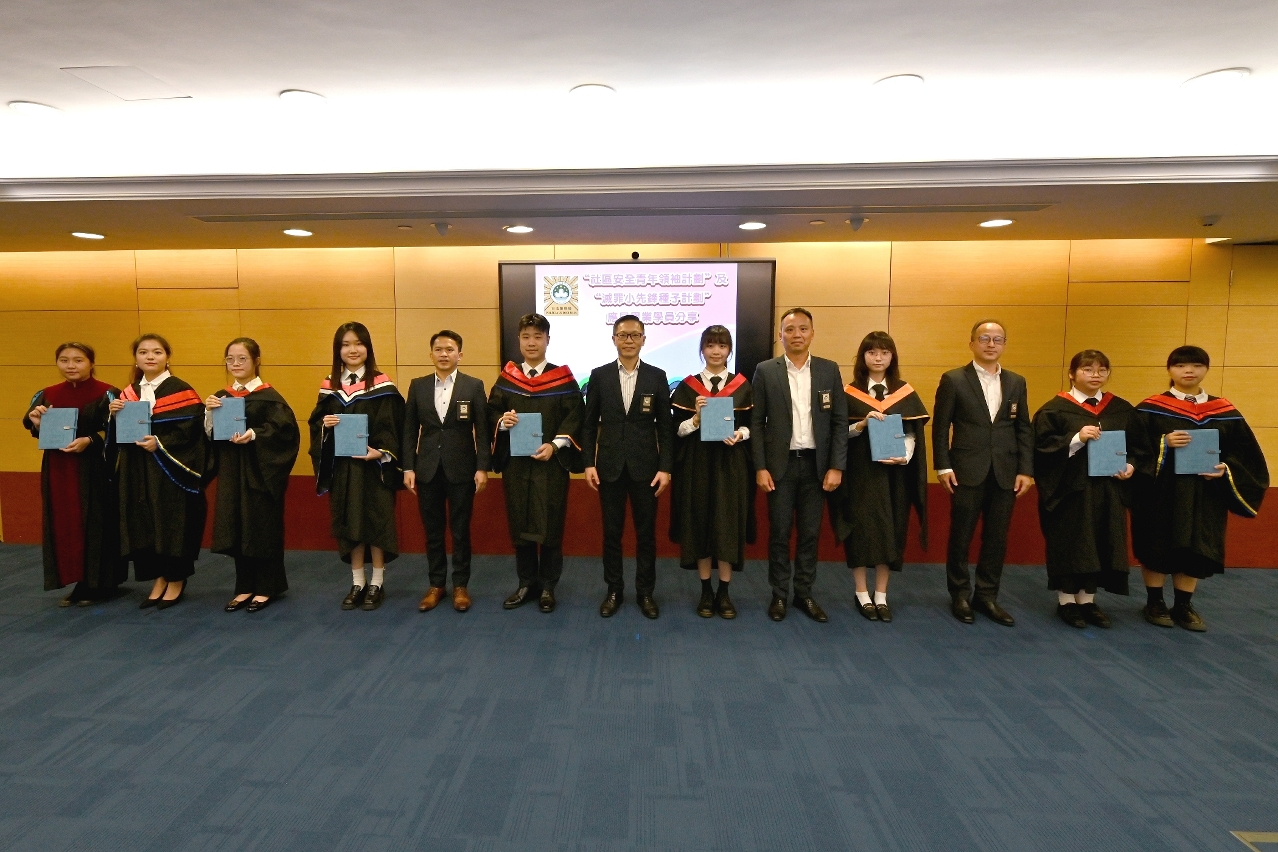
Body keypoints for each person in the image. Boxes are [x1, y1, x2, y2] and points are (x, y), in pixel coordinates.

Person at [1128, 346, 1268, 632]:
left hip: (1206, 492)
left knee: (1195, 546)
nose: (1188, 370)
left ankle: (1183, 604)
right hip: (1162, 491)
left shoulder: (1225, 411)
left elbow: (1245, 454)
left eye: (1196, 365)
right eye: (1180, 366)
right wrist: (1164, 443)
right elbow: (1132, 449)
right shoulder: (1150, 409)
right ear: (1169, 370)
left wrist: (1225, 468)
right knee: (1157, 542)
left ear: (1206, 369)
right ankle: (1154, 601)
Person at [932, 320, 1034, 626]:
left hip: (1005, 471)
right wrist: (943, 465)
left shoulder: (1016, 382)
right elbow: (940, 427)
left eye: (997, 339)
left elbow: (1023, 428)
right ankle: (960, 594)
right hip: (965, 470)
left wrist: (1025, 470)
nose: (991, 344)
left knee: (997, 537)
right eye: (984, 338)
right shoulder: (954, 379)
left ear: (1004, 344)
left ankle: (987, 595)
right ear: (972, 343)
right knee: (961, 535)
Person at [751, 307, 848, 623]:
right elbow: (756, 421)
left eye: (803, 329)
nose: (796, 335)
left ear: (812, 333)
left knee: (810, 534)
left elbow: (839, 420)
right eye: (790, 329)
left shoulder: (828, 370)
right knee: (779, 533)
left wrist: (837, 466)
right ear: (780, 335)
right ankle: (779, 594)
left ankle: (804, 593)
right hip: (780, 467)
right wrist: (760, 467)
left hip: (816, 466)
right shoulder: (766, 371)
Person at [487, 313, 585, 614]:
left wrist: (555, 445)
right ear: (519, 340)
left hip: (550, 464)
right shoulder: (507, 379)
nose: (532, 342)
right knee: (521, 523)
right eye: (526, 337)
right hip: (517, 464)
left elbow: (575, 418)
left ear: (547, 340)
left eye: (538, 337)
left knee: (550, 525)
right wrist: (502, 421)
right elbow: (491, 412)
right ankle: (526, 583)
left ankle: (548, 587)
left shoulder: (563, 379)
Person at [1031, 350, 1134, 629]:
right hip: (1069, 492)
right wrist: (1076, 438)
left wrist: (1131, 466)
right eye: (1088, 369)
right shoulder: (1054, 410)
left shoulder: (1121, 409)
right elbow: (1040, 450)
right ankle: (1066, 601)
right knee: (1071, 543)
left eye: (1102, 370)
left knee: (1100, 542)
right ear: (1072, 374)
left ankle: (1088, 601)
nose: (1095, 375)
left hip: (1108, 490)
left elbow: (1139, 447)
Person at [108, 334, 211, 609]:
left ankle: (176, 578)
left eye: (156, 352)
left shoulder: (181, 391)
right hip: (137, 469)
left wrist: (160, 443)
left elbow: (192, 434)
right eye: (143, 352)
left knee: (172, 523)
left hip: (169, 471)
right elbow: (119, 436)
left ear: (167, 357)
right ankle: (159, 577)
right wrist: (114, 415)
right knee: (144, 523)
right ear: (136, 358)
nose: (150, 357)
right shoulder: (129, 393)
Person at [832, 331, 929, 624]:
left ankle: (882, 595)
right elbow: (837, 434)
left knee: (891, 529)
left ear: (892, 357)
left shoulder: (904, 393)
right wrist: (861, 424)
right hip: (860, 473)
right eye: (872, 352)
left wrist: (904, 456)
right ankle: (862, 592)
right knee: (860, 531)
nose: (878, 358)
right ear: (862, 357)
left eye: (884, 352)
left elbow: (913, 434)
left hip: (894, 474)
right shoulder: (849, 392)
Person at [581, 315, 674, 619]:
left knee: (646, 534)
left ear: (644, 339)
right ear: (614, 340)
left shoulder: (657, 376)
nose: (629, 340)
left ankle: (645, 592)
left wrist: (665, 467)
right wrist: (588, 463)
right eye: (623, 335)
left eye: (635, 335)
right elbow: (588, 424)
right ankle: (614, 590)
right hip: (608, 467)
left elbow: (665, 427)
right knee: (612, 533)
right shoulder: (599, 376)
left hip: (646, 469)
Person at [308, 322, 405, 612]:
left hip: (374, 470)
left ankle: (377, 582)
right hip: (343, 470)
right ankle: (357, 581)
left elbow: (394, 427)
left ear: (368, 348)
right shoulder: (330, 387)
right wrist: (325, 427)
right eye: (346, 344)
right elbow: (316, 425)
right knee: (350, 524)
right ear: (338, 350)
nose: (353, 350)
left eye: (359, 343)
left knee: (376, 522)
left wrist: (382, 452)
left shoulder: (382, 386)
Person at [23, 342, 126, 606]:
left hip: (94, 469)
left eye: (78, 360)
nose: (71, 366)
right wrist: (38, 424)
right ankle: (78, 580)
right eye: (64, 360)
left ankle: (100, 583)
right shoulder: (47, 395)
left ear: (91, 363)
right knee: (64, 522)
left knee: (95, 522)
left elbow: (118, 431)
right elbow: (36, 429)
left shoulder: (108, 393)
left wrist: (90, 440)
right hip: (58, 468)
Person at [205, 338, 300, 613]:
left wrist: (255, 434)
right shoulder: (221, 397)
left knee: (261, 529)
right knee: (237, 527)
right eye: (230, 359)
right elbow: (209, 437)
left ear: (256, 361)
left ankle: (267, 587)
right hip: (232, 474)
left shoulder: (270, 398)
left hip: (260, 474)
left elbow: (286, 434)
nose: (235, 364)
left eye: (242, 358)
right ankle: (244, 586)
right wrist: (209, 414)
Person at [669, 325, 755, 619]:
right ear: (702, 350)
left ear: (729, 350)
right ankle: (706, 591)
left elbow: (752, 425)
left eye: (722, 346)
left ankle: (725, 593)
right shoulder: (688, 386)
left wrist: (740, 434)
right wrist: (695, 419)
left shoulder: (742, 385)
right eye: (710, 345)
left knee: (727, 526)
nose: (716, 351)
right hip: (697, 464)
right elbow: (676, 431)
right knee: (701, 525)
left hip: (731, 464)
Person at [402, 330, 490, 614]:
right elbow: (408, 430)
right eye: (438, 349)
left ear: (459, 355)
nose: (444, 354)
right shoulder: (418, 386)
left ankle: (461, 585)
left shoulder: (473, 386)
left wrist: (482, 467)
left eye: (449, 349)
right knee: (433, 531)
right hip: (427, 469)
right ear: (431, 355)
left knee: (461, 530)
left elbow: (483, 430)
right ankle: (436, 584)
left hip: (463, 469)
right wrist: (408, 467)